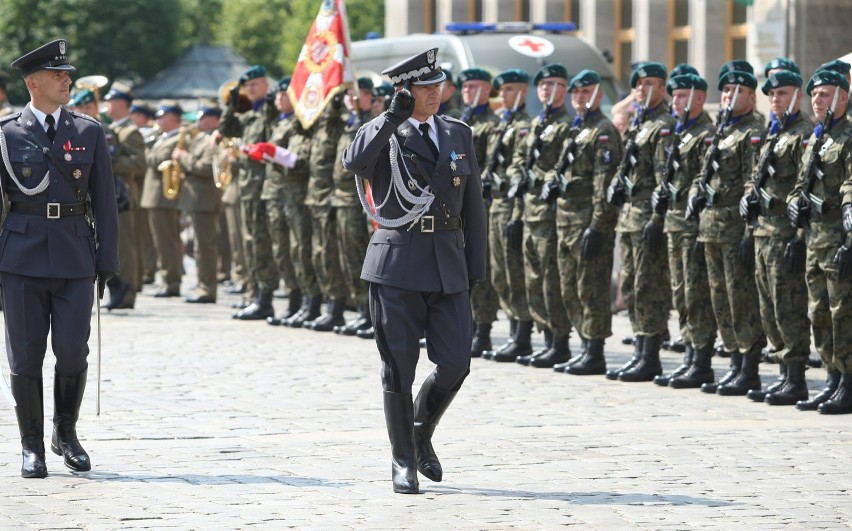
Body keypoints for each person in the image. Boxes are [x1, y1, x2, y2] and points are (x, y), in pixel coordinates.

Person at [342, 48, 486, 494]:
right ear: (404, 91)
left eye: (437, 85)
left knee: (457, 363)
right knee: (397, 368)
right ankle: (402, 458)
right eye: (424, 87)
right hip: (398, 262)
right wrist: (389, 118)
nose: (434, 93)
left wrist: (475, 266)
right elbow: (354, 163)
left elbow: (475, 204)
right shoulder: (382, 130)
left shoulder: (458, 133)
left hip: (448, 261)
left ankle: (420, 430)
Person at [0, 39, 119, 478]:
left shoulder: (89, 132)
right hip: (20, 257)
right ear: (33, 83)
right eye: (56, 75)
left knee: (72, 351)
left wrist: (109, 258)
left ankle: (64, 432)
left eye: (67, 73)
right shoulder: (6, 133)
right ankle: (31, 445)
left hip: (73, 255)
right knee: (25, 357)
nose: (66, 79)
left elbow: (104, 201)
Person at [686, 68, 768, 396]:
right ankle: (734, 361)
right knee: (720, 299)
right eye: (726, 90)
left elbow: (754, 182)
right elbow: (704, 174)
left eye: (738, 90)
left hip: (735, 230)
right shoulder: (721, 129)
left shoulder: (752, 132)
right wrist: (695, 192)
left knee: (740, 299)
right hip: (710, 229)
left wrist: (749, 233)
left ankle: (748, 368)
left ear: (751, 96)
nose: (730, 95)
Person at [740, 70, 812, 405]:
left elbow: (805, 188)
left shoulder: (803, 134)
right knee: (768, 307)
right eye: (772, 94)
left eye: (782, 93)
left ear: (798, 95)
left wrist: (799, 237)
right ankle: (783, 373)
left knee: (788, 306)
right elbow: (755, 178)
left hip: (784, 234)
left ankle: (795, 378)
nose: (776, 99)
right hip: (762, 233)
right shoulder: (773, 134)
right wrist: (749, 199)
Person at [605, 62, 676, 382]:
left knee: (649, 286)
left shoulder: (664, 125)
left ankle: (650, 355)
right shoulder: (639, 122)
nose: (644, 90)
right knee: (632, 284)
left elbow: (665, 178)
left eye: (651, 84)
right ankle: (640, 348)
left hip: (648, 218)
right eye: (639, 85)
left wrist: (656, 220)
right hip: (630, 217)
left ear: (663, 89)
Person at [788, 69, 852, 414]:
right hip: (814, 239)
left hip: (838, 241)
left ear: (843, 97)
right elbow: (800, 186)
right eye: (814, 95)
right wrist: (794, 207)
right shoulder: (816, 139)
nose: (817, 100)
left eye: (825, 94)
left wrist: (850, 242)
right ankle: (831, 377)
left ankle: (848, 382)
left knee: (844, 313)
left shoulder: (849, 136)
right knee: (819, 312)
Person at [551, 69, 622, 376]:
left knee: (590, 288)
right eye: (576, 93)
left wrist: (598, 226)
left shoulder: (603, 131)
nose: (579, 98)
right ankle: (583, 345)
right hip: (565, 221)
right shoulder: (576, 128)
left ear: (598, 95)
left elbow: (604, 185)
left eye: (585, 92)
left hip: (586, 223)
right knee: (569, 288)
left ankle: (595, 351)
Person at [506, 64, 574, 368]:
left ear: (565, 90)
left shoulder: (567, 126)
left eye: (556, 85)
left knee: (550, 280)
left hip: (550, 215)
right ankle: (544, 336)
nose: (549, 90)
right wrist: (517, 175)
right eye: (545, 85)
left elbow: (564, 169)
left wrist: (542, 177)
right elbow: (518, 158)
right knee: (532, 279)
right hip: (529, 212)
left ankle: (558, 341)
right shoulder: (536, 124)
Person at [480, 69, 535, 362]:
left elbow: (520, 172)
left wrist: (516, 214)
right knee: (500, 274)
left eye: (511, 90)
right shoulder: (503, 124)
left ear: (524, 93)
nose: (505, 96)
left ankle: (522, 335)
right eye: (503, 91)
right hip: (495, 207)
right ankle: (514, 333)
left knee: (514, 273)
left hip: (511, 208)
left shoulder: (524, 126)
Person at [218, 65, 277, 320]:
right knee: (251, 244)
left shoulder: (269, 111)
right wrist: (232, 102)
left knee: (261, 244)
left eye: (255, 84)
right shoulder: (250, 115)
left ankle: (264, 298)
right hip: (249, 188)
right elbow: (227, 126)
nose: (250, 89)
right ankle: (254, 295)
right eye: (247, 86)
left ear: (266, 85)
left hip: (264, 187)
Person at [457, 67, 501, 356]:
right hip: (455, 206)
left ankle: (482, 330)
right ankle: (464, 328)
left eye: (476, 87)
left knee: (478, 268)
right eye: (466, 88)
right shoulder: (457, 122)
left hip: (478, 204)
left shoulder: (491, 124)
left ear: (488, 90)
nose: (470, 93)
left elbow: (488, 165)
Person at [103, 82, 146, 311]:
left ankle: (128, 293)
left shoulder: (130, 131)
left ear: (120, 104)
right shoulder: (117, 128)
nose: (106, 104)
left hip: (126, 196)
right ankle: (119, 290)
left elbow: (140, 163)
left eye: (110, 100)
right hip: (117, 195)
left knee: (126, 249)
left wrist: (113, 163)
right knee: (117, 246)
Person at [175, 101, 222, 303]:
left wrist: (183, 157)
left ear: (214, 119)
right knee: (200, 247)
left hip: (205, 200)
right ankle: (203, 283)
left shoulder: (214, 139)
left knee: (205, 247)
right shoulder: (201, 138)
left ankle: (208, 288)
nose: (200, 121)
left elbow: (205, 167)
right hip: (196, 199)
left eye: (204, 117)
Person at [140, 101, 185, 297]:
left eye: (162, 116)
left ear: (173, 118)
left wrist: (148, 150)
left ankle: (171, 282)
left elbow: (158, 160)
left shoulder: (176, 139)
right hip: (154, 197)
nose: (158, 120)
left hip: (163, 198)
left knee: (167, 242)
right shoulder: (163, 137)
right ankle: (168, 279)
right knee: (160, 242)